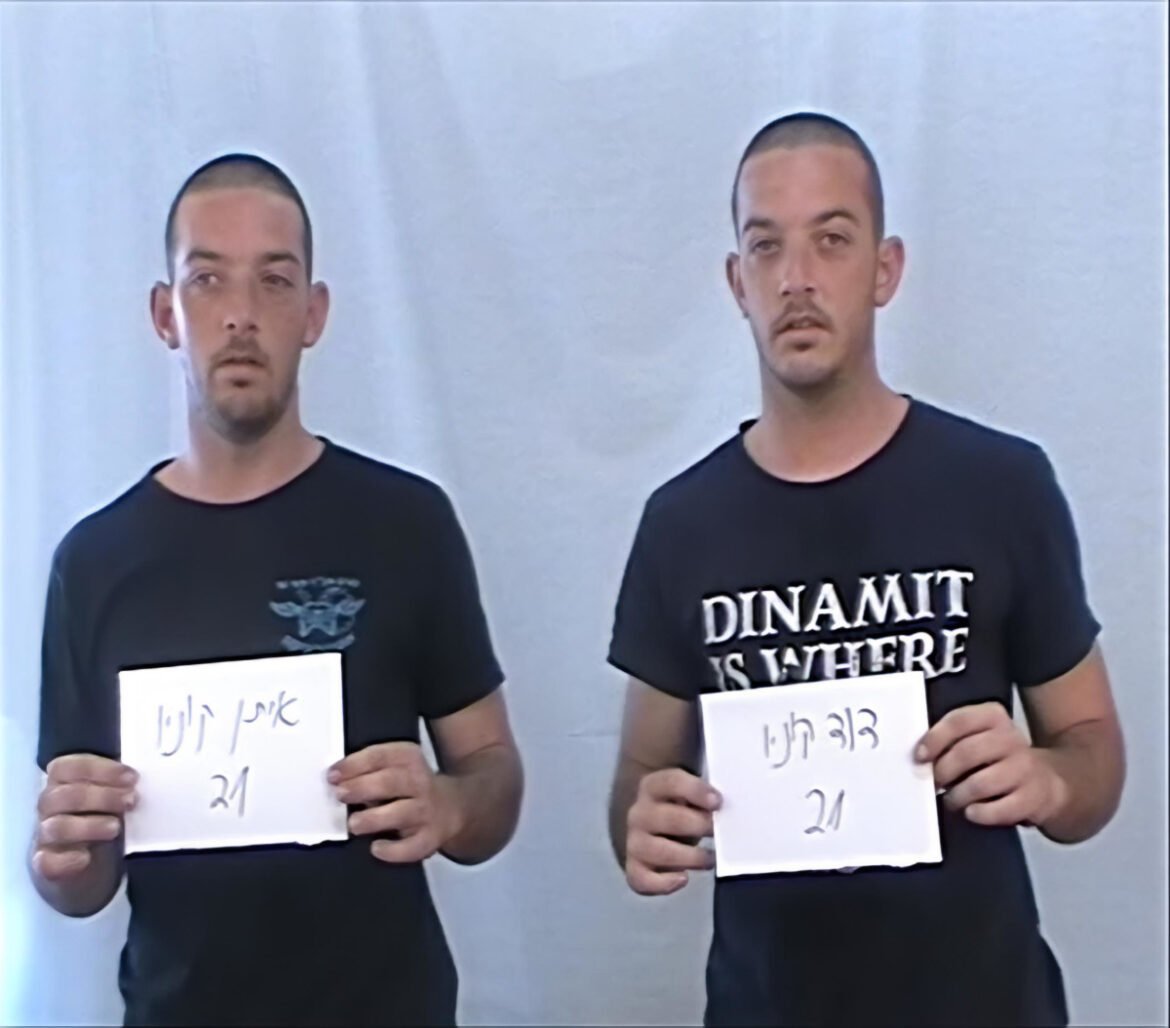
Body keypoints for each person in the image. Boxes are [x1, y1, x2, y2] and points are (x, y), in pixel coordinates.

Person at [606, 112, 1125, 1027]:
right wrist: (643, 824)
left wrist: (1050, 780)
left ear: (885, 269)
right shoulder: (682, 524)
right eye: (766, 246)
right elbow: (641, 777)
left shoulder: (1001, 486)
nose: (796, 279)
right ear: (736, 281)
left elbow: (1093, 754)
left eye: (832, 240)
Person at [30, 153, 524, 1027]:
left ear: (314, 313)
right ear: (165, 314)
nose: (240, 314)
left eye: (274, 280)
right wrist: (60, 860)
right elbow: (83, 878)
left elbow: (495, 778)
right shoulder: (95, 562)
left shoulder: (405, 523)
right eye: (207, 279)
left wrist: (449, 804)